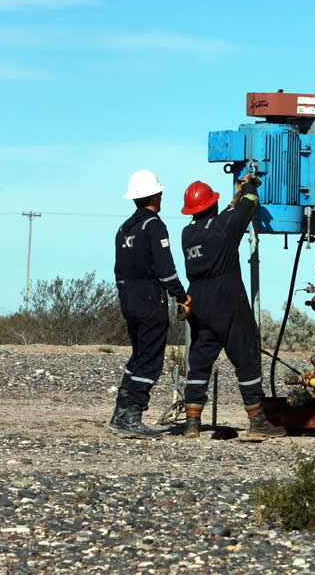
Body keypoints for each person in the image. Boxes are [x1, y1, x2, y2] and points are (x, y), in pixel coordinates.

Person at [180, 176, 286, 438]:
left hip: (198, 302)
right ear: (212, 206)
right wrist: (249, 187)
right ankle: (257, 420)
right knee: (247, 356)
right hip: (227, 299)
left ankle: (192, 422)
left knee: (200, 360)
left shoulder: (188, 233)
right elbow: (249, 205)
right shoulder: (223, 228)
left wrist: (232, 199)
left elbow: (224, 216)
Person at [109, 169, 191, 439]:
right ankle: (132, 416)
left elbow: (118, 270)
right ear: (154, 195)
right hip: (149, 301)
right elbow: (165, 269)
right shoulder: (154, 226)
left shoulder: (125, 228)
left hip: (128, 300)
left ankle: (120, 413)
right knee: (150, 361)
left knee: (138, 356)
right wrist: (181, 295)